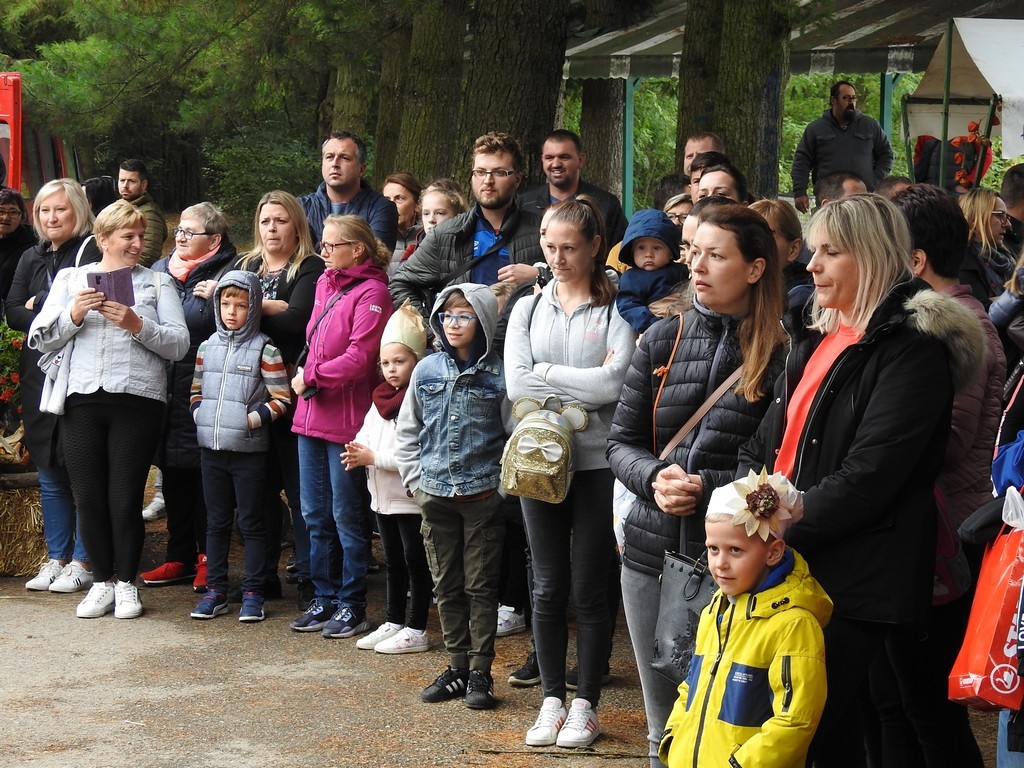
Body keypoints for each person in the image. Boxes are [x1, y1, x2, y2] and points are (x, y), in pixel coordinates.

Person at [736, 193, 984, 766]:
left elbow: (870, 478)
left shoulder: (912, 349)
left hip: (862, 573)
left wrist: (774, 528)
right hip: (814, 559)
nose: (812, 265)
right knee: (847, 727)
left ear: (871, 256)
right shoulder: (829, 336)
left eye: (831, 253)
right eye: (814, 251)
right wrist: (737, 501)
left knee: (859, 723)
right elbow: (775, 442)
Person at [607, 203, 787, 767]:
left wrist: (704, 487)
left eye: (716, 255)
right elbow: (620, 443)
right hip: (649, 549)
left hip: (738, 563)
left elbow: (781, 467)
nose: (698, 267)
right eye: (693, 254)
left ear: (755, 268)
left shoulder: (785, 353)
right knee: (664, 725)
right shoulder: (661, 337)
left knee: (730, 724)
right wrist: (655, 478)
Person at [863, 184, 998, 767]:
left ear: (914, 261)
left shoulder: (952, 326)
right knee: (897, 701)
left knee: (927, 709)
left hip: (944, 537)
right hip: (922, 533)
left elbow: (950, 438)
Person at [505, 197, 636, 748]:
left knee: (589, 586)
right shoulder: (526, 309)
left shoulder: (617, 311)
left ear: (593, 248)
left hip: (596, 464)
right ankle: (552, 698)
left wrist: (548, 373)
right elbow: (516, 386)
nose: (556, 258)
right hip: (538, 463)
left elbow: (615, 385)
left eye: (568, 248)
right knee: (547, 583)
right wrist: (576, 376)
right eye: (548, 246)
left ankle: (586, 702)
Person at [28, 199, 189, 619]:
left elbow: (179, 343)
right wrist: (73, 315)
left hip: (138, 401)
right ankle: (99, 582)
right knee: (89, 496)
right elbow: (40, 338)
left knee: (124, 496)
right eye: (128, 236)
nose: (138, 243)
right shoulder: (70, 278)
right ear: (103, 239)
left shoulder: (157, 284)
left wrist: (137, 325)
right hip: (81, 400)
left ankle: (126, 584)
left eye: (141, 236)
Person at [659, 472, 831, 768]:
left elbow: (796, 719)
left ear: (773, 553)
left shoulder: (793, 624)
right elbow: (692, 683)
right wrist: (674, 738)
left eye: (735, 550)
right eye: (713, 549)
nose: (720, 563)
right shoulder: (716, 608)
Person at [394, 283, 509, 711]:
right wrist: (416, 483)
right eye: (446, 316)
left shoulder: (499, 373)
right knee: (446, 584)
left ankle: (480, 670)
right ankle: (456, 666)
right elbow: (408, 429)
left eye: (464, 316)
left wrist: (499, 489)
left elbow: (512, 431)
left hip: (482, 495)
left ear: (483, 321)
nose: (454, 324)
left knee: (481, 586)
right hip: (436, 493)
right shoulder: (425, 370)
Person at [288, 214, 392, 639]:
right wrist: (305, 374)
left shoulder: (373, 292)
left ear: (358, 250)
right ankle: (324, 595)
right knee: (313, 512)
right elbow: (314, 344)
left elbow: (360, 357)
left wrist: (311, 378)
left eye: (332, 246)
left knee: (346, 514)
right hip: (310, 416)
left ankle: (351, 603)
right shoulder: (323, 284)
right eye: (323, 245)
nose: (324, 252)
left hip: (346, 418)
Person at [140, 203, 239, 592]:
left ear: (214, 239)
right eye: (178, 230)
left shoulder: (231, 272)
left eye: (189, 232)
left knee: (205, 478)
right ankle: (178, 556)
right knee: (172, 473)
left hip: (206, 387)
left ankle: (208, 559)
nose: (179, 237)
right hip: (163, 385)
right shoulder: (161, 271)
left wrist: (219, 298)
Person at [9, 180, 100, 593]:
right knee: (48, 469)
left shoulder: (93, 251)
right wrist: (56, 306)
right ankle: (56, 556)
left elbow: (97, 302)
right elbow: (11, 311)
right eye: (44, 211)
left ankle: (85, 557)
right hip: (38, 369)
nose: (51, 218)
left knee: (82, 469)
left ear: (77, 210)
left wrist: (39, 305)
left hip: (80, 370)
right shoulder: (30, 255)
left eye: (59, 210)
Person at [236, 190, 325, 608]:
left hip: (293, 394)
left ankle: (311, 577)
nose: (271, 228)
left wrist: (249, 304)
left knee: (300, 490)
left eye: (280, 221)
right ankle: (262, 576)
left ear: (297, 225)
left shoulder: (309, 266)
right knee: (258, 491)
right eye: (266, 220)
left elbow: (297, 321)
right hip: (247, 394)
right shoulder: (247, 265)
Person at [189, 271, 292, 623]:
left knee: (251, 522)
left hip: (249, 452)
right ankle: (216, 590)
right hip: (211, 450)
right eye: (225, 303)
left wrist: (249, 421)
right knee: (216, 522)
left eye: (241, 304)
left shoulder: (266, 348)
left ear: (254, 307)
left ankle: (253, 591)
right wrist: (200, 414)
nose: (232, 311)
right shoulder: (206, 347)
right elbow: (196, 391)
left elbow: (281, 398)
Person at [341, 302, 432, 654]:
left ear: (417, 361)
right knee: (393, 560)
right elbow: (366, 431)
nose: (392, 370)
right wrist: (357, 449)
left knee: (415, 561)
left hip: (408, 497)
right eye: (386, 363)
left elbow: (418, 453)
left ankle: (417, 627)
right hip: (381, 495)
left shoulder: (419, 398)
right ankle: (394, 620)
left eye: (400, 362)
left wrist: (374, 457)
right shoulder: (380, 399)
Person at [389, 132, 543, 319]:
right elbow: (400, 284)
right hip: (461, 343)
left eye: (499, 172)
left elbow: (582, 278)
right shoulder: (446, 235)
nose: (488, 180)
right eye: (480, 172)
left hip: (519, 343)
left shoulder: (542, 231)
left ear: (517, 179)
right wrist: (431, 332)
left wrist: (540, 274)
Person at [791, 81, 894, 212]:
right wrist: (799, 192)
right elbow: (801, 161)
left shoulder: (870, 126)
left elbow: (887, 155)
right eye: (846, 98)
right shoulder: (816, 129)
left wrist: (873, 180)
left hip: (862, 198)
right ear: (833, 100)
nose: (851, 103)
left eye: (853, 98)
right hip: (829, 198)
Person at [517, 130, 627, 245]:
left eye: (564, 157)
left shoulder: (606, 205)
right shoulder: (524, 204)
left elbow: (619, 254)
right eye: (549, 158)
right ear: (542, 160)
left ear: (580, 160)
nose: (556, 164)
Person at [299, 130, 398, 250]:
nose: (335, 163)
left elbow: (375, 255)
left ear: (361, 169)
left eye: (344, 158)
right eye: (329, 157)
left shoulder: (381, 208)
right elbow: (292, 254)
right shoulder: (301, 207)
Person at [614, 209, 687, 334]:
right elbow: (629, 306)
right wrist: (652, 325)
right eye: (641, 248)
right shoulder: (631, 278)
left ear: (670, 253)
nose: (648, 254)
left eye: (657, 248)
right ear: (632, 252)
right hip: (653, 329)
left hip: (684, 325)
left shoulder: (681, 271)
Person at [748, 198, 811, 309]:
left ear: (793, 249)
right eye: (745, 237)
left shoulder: (800, 301)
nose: (752, 246)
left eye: (764, 237)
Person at [959, 187, 1015, 309]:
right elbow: (976, 309)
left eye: (1007, 217)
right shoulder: (962, 260)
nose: (1008, 224)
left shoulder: (1006, 257)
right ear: (974, 219)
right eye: (1000, 216)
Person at [117, 160, 167, 267]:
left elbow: (148, 255)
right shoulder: (119, 207)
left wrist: (119, 270)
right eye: (122, 180)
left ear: (144, 185)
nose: (125, 185)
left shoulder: (149, 213)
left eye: (131, 181)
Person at [0, 187, 37, 310]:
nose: (5, 217)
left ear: (22, 216)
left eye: (13, 212)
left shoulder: (33, 243)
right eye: (1, 211)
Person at [381, 172, 422, 274]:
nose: (391, 205)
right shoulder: (374, 240)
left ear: (417, 205)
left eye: (399, 198)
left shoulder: (428, 238)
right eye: (386, 200)